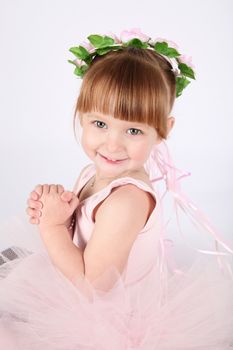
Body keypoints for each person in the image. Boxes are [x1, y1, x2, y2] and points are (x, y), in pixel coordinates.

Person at [0, 28, 233, 349]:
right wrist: (59, 211)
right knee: (8, 262)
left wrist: (51, 227)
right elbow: (82, 234)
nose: (112, 143)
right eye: (100, 124)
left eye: (133, 130)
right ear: (82, 116)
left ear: (164, 128)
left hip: (103, 319)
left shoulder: (127, 201)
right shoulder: (93, 172)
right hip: (73, 286)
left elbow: (90, 288)